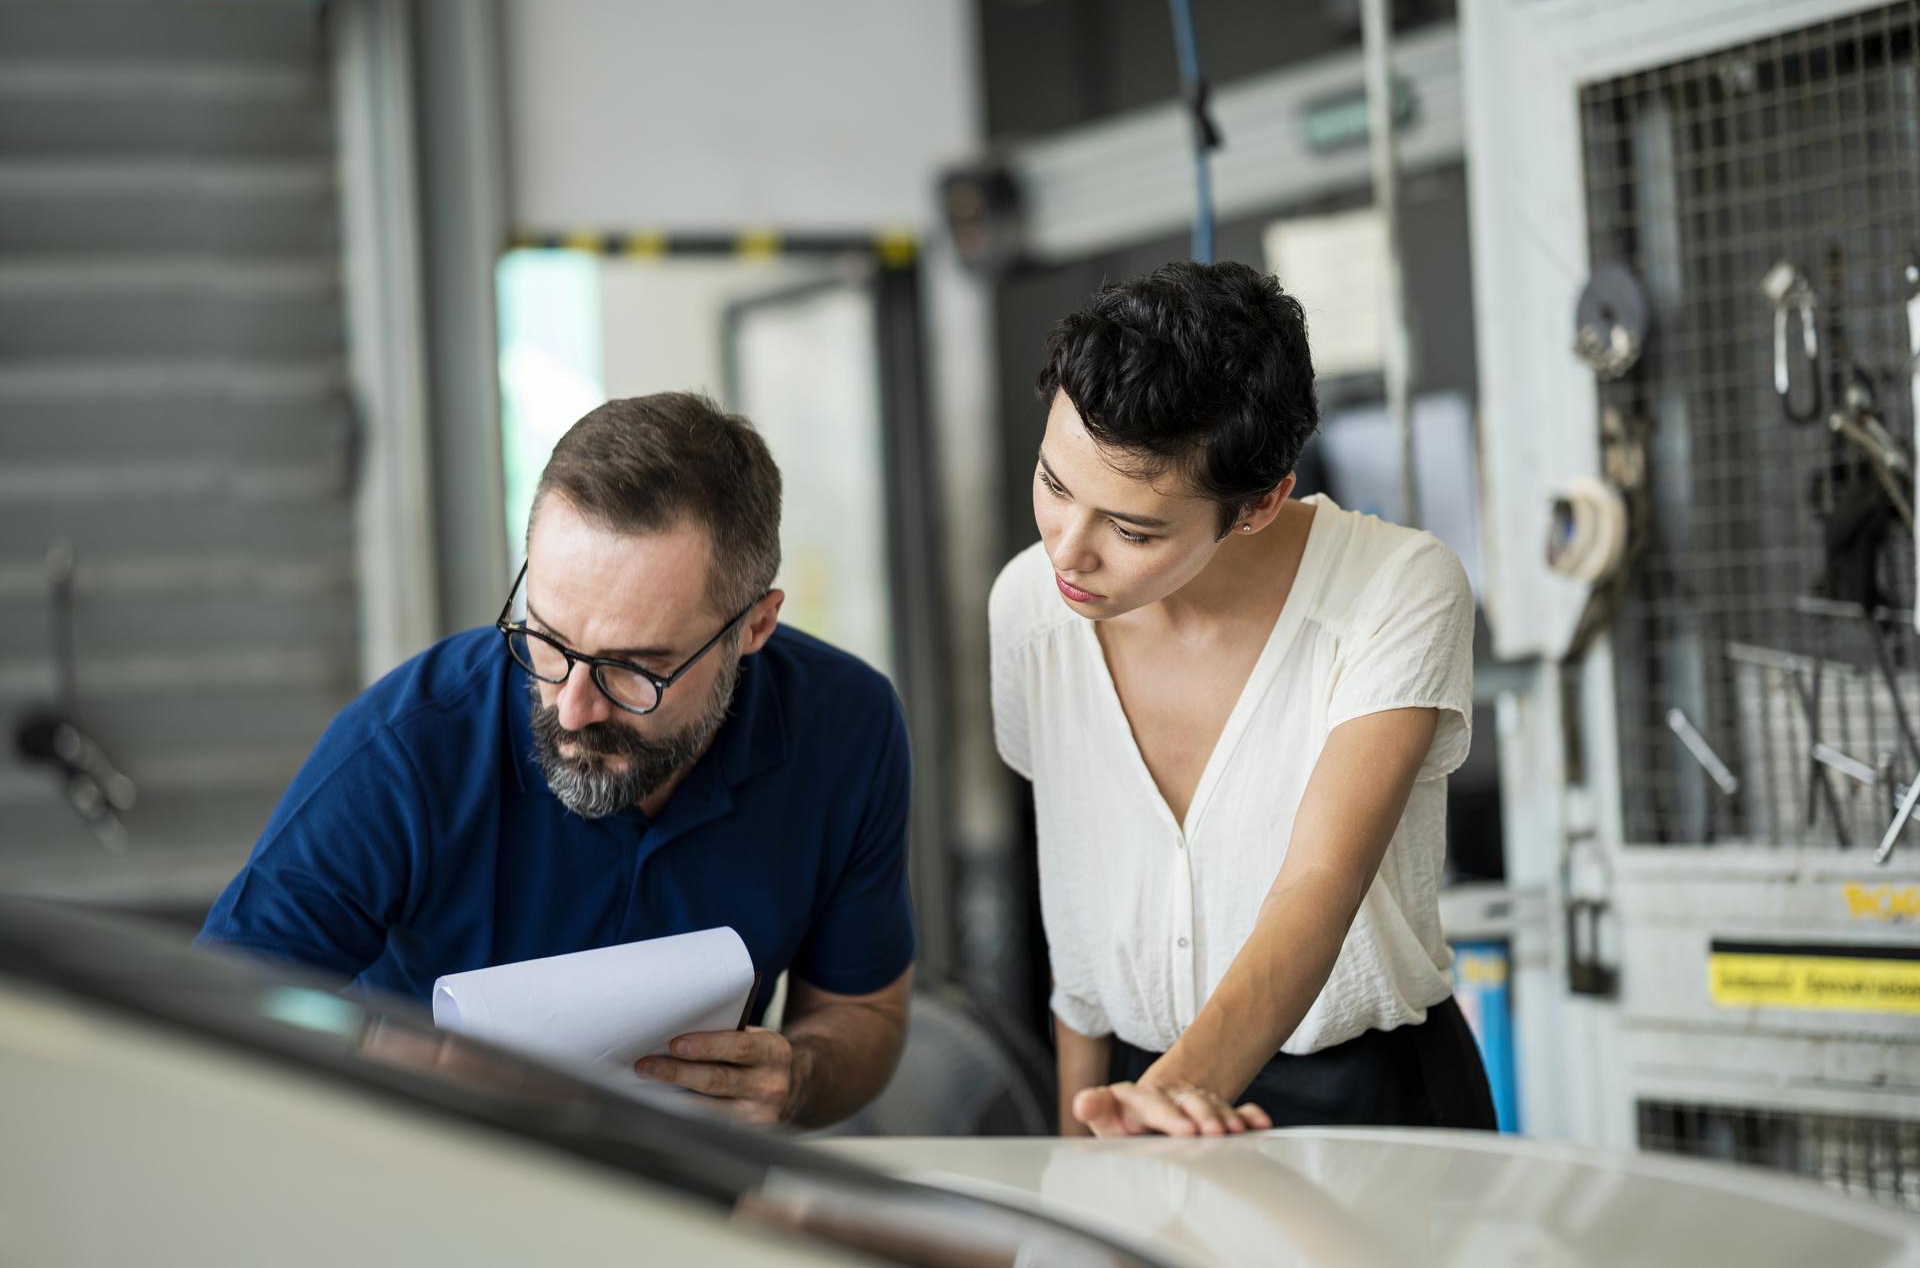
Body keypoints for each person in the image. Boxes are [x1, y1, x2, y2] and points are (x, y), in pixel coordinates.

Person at [201, 393, 916, 1128]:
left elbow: (861, 1010)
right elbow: (211, 1018)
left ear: (755, 625)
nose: (571, 707)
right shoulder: (406, 748)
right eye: (547, 636)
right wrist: (388, 1054)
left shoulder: (845, 727)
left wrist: (795, 1078)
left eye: (637, 667)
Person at [989, 261, 1496, 1137]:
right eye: (1055, 484)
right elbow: (1078, 917)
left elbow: (1318, 886)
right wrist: (1085, 1134)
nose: (1068, 550)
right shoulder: (1030, 606)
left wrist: (1165, 1100)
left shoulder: (1397, 587)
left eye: (1132, 527)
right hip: (1132, 1094)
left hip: (1363, 1104)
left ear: (1259, 504)